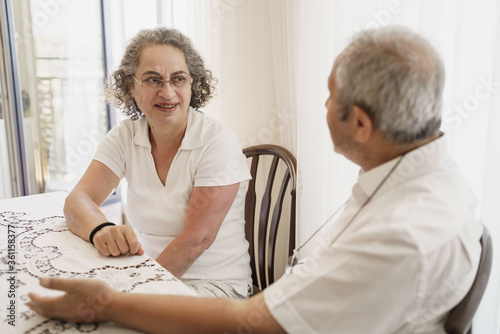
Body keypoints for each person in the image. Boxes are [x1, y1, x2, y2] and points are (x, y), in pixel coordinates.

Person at [28, 26, 482, 333]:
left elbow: (254, 322)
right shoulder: (418, 179)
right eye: (151, 80)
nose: (322, 106)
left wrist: (106, 303)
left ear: (360, 124)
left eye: (329, 96)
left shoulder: (400, 235)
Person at [63, 27, 252, 298]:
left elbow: (196, 241)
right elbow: (78, 199)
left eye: (178, 79)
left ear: (192, 84)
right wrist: (100, 229)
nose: (167, 92)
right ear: (131, 86)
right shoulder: (126, 136)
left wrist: (136, 294)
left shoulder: (217, 142)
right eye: (153, 80)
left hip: (215, 287)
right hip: (152, 272)